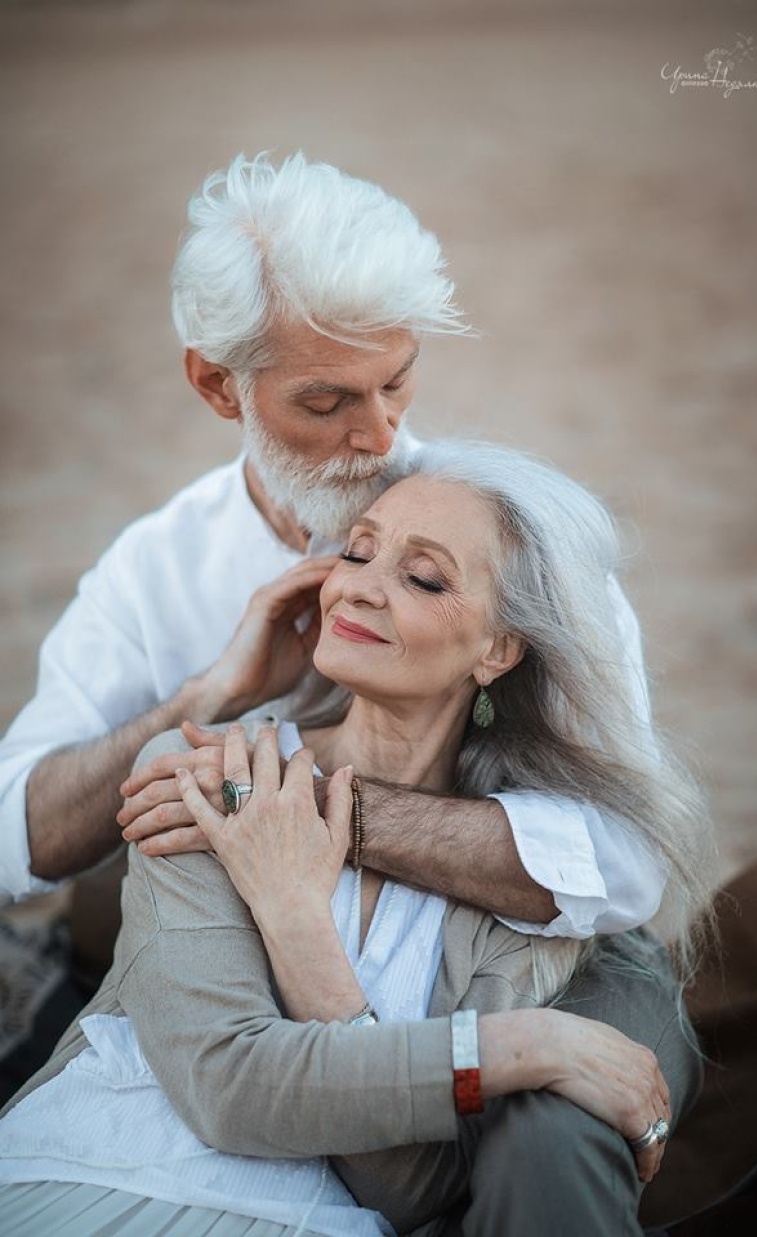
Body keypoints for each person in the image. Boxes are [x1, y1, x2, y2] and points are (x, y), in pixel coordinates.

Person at [0, 441, 713, 1236]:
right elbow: (223, 1083)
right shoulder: (214, 768)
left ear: (498, 649)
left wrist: (297, 921)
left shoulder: (525, 867)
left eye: (423, 577)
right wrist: (524, 1044)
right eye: (357, 550)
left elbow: (406, 1188)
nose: (360, 589)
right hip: (83, 1181)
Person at [1, 151, 665, 955]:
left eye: (397, 380)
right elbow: (16, 843)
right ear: (216, 386)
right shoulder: (154, 568)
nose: (381, 435)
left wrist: (298, 807)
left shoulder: (517, 539)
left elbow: (626, 862)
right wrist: (207, 698)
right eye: (326, 401)